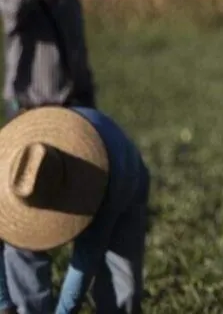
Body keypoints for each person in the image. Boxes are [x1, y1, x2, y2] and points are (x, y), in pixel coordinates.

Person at [0, 105, 149, 314]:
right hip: (50, 180)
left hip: (125, 176)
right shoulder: (17, 173)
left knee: (121, 288)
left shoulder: (104, 184)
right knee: (18, 246)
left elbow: (85, 261)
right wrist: (4, 303)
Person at [0, 0, 97, 119]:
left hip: (71, 106)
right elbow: (13, 12)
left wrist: (88, 97)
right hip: (28, 108)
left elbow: (78, 52)